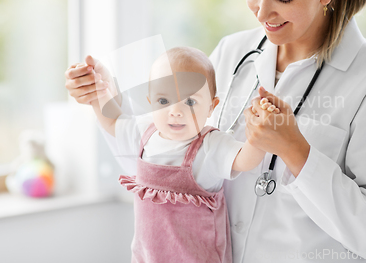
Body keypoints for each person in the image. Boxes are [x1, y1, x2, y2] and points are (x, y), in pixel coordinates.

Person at [65, 0, 366, 262]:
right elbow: (166, 162)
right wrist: (104, 97)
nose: (263, 12)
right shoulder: (233, 53)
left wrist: (297, 152)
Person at [74, 46, 277, 263]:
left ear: (211, 106)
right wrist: (98, 92)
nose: (176, 111)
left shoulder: (209, 146)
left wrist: (261, 133)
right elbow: (113, 120)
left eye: (190, 101)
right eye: (164, 101)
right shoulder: (144, 132)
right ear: (150, 101)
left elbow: (244, 160)